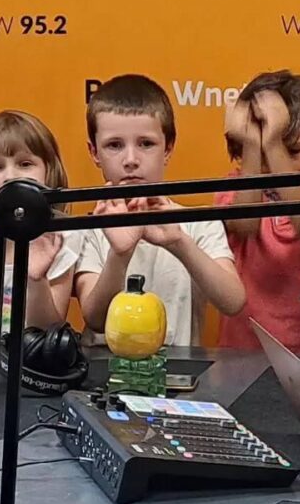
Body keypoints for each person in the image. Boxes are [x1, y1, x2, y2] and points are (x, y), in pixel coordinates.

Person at [75, 75, 245, 345]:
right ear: (94, 152)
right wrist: (120, 254)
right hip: (102, 369)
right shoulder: (89, 230)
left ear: (168, 147)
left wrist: (179, 242)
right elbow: (95, 318)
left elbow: (233, 301)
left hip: (180, 370)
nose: (131, 160)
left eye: (146, 143)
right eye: (114, 145)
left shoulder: (198, 223)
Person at [217, 70, 300, 353]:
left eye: (293, 150)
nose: (274, 161)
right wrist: (253, 145)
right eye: (263, 151)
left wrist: (272, 143)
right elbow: (244, 226)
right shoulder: (235, 187)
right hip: (240, 353)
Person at [0, 110, 81, 331]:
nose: (10, 177)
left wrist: (36, 280)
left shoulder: (61, 238)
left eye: (25, 164)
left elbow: (49, 329)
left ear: (49, 172)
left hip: (30, 353)